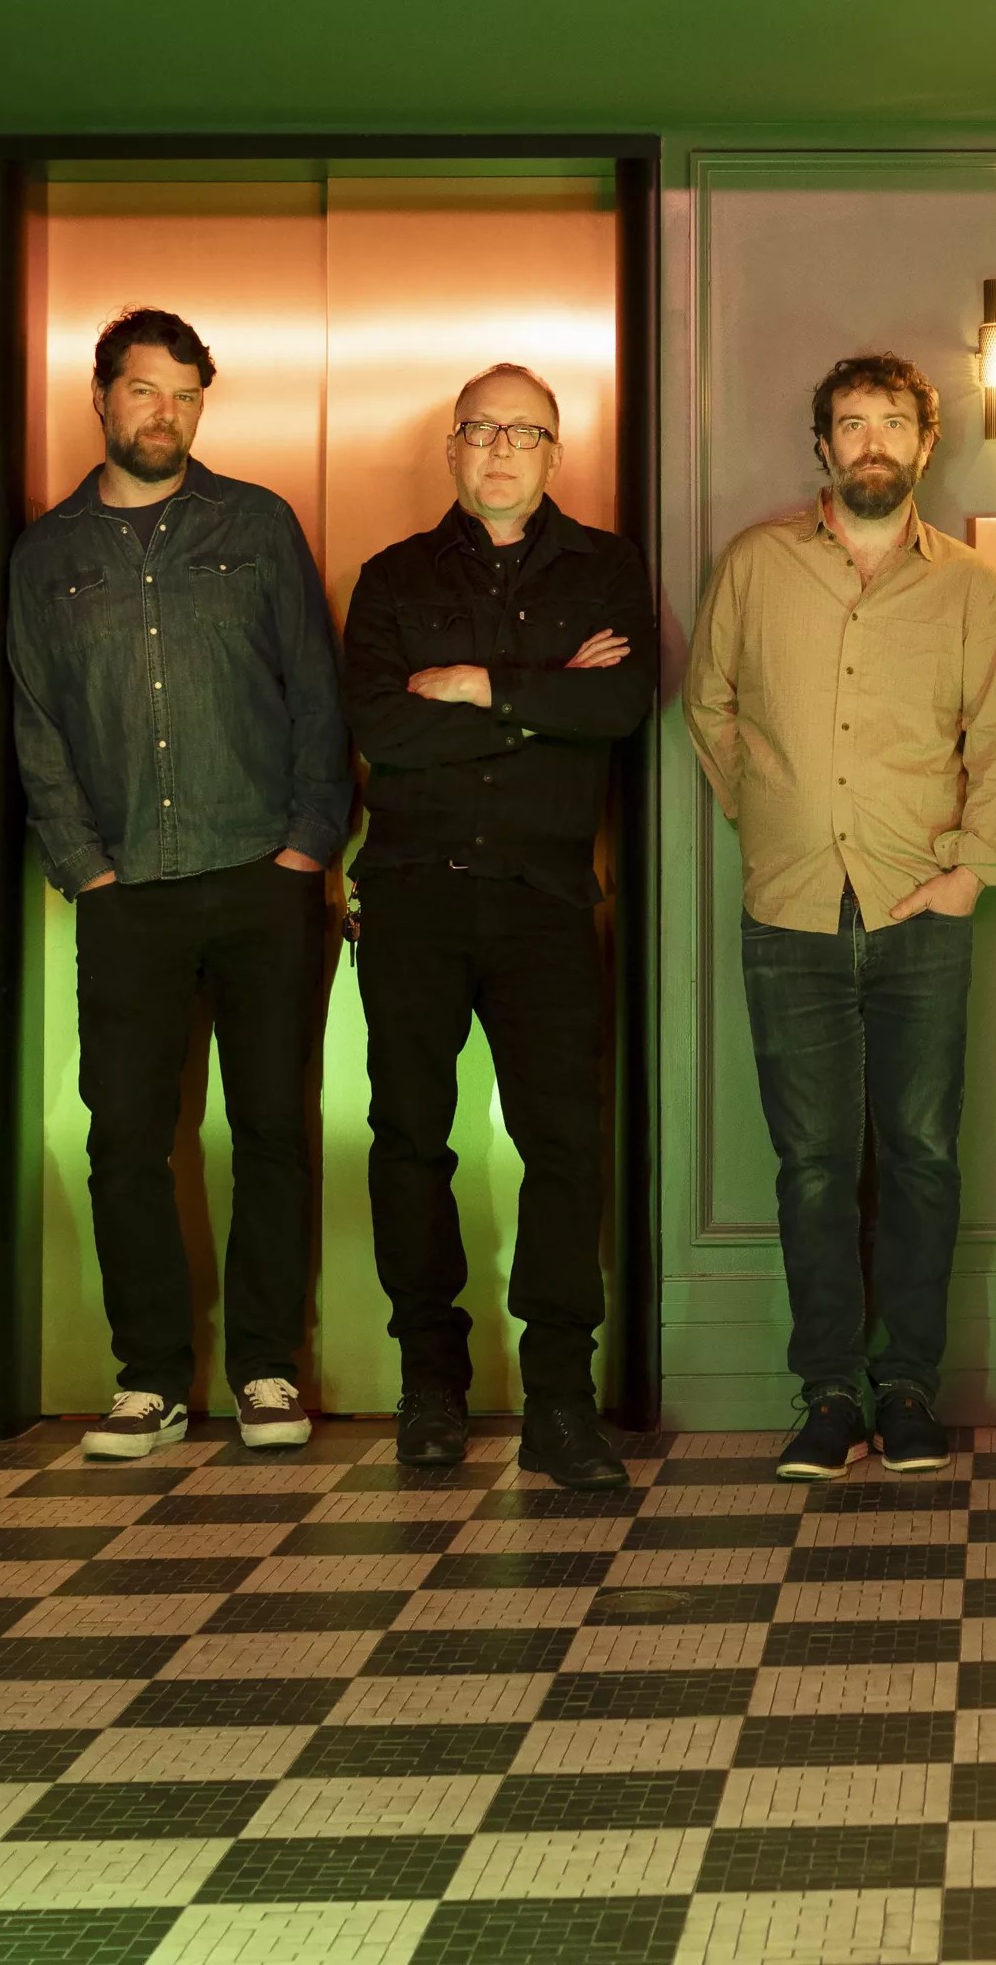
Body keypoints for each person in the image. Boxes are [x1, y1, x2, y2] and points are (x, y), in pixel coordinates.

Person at [7, 307, 350, 1459]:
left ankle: (265, 1371)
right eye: (145, 390)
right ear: (102, 397)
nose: (165, 414)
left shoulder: (256, 524)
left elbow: (315, 689)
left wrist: (307, 847)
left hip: (262, 876)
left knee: (273, 1133)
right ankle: (149, 1380)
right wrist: (89, 872)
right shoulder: (47, 555)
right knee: (124, 1143)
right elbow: (38, 727)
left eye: (186, 395)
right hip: (127, 895)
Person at [683, 353, 996, 1480]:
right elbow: (709, 706)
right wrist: (773, 818)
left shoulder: (967, 585)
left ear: (926, 443)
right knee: (814, 1166)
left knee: (922, 1158)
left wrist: (968, 874)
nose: (870, 441)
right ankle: (829, 1395)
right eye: (849, 423)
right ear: (822, 445)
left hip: (922, 911)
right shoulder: (756, 564)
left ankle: (909, 1390)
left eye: (891, 422)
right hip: (788, 912)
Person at [341, 364, 656, 1490]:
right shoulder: (392, 577)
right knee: (409, 1140)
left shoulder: (607, 568)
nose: (502, 450)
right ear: (453, 450)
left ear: (555, 454)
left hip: (547, 903)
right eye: (481, 430)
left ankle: (560, 1401)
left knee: (564, 1146)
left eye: (525, 432)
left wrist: (478, 685)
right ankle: (430, 1382)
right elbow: (381, 729)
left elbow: (617, 706)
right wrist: (541, 695)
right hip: (413, 897)